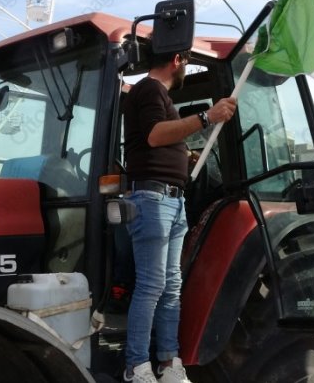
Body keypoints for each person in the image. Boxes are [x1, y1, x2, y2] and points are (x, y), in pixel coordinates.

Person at [121, 44, 237, 383]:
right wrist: (206, 117)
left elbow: (157, 139)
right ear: (177, 60)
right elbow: (156, 135)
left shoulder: (160, 98)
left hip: (172, 200)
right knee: (152, 285)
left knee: (171, 286)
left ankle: (169, 364)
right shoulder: (149, 89)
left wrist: (184, 157)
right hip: (153, 200)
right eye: (185, 61)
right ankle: (136, 366)